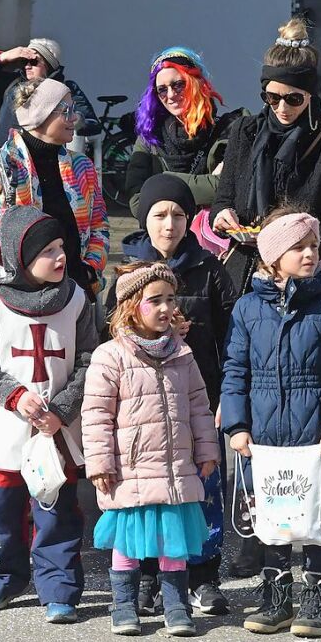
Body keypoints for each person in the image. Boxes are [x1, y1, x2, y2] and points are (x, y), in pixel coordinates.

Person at [222, 207, 321, 638]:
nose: (308, 254)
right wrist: (236, 424)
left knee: (318, 518)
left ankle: (316, 600)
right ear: (271, 256)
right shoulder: (247, 308)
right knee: (272, 514)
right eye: (296, 247)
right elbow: (235, 368)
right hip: (263, 436)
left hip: (315, 433)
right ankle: (276, 598)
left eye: (313, 246)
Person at [109, 174, 237, 615]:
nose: (170, 224)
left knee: (201, 490)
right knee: (146, 493)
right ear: (145, 220)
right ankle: (147, 576)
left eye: (179, 215)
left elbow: (232, 337)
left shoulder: (210, 267)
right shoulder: (127, 271)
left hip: (197, 402)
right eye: (160, 215)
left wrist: (228, 397)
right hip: (142, 409)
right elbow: (110, 335)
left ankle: (203, 577)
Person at [0, 206, 98, 624]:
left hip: (56, 428)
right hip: (10, 427)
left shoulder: (76, 298)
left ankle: (59, 589)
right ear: (21, 258)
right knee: (2, 510)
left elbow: (90, 359)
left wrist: (60, 410)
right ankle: (2, 581)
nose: (60, 256)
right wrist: (15, 395)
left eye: (61, 247)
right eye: (49, 251)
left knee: (56, 511)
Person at [83, 261, 219, 637]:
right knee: (127, 541)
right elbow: (95, 415)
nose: (165, 308)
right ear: (130, 307)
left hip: (175, 468)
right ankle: (124, 605)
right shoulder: (110, 356)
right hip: (130, 471)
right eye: (154, 300)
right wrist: (99, 462)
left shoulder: (183, 354)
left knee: (174, 543)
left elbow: (198, 406)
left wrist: (207, 449)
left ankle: (176, 606)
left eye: (170, 299)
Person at [212, 18, 321, 295]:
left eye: (293, 99)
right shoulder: (244, 132)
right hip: (246, 281)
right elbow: (223, 199)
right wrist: (222, 216)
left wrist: (291, 241)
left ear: (310, 95)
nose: (281, 108)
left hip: (310, 280)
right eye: (271, 97)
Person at [0, 78, 109, 301]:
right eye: (66, 110)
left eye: (74, 110)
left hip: (71, 290)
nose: (75, 117)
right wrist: (13, 240)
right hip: (9, 292)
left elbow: (99, 224)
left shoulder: (82, 167)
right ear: (41, 115)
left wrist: (89, 268)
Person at [125, 46, 245, 219]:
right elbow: (137, 202)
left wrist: (159, 182)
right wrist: (205, 187)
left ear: (196, 83)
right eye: (162, 89)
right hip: (164, 239)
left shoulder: (228, 129)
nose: (171, 95)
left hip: (212, 238)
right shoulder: (149, 137)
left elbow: (227, 187)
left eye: (179, 84)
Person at [0, 38, 100, 139]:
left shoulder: (67, 90)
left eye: (34, 61)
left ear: (49, 64)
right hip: (10, 161)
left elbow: (92, 124)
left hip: (49, 163)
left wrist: (74, 119)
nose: (27, 66)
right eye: (24, 61)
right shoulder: (15, 84)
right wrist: (4, 57)